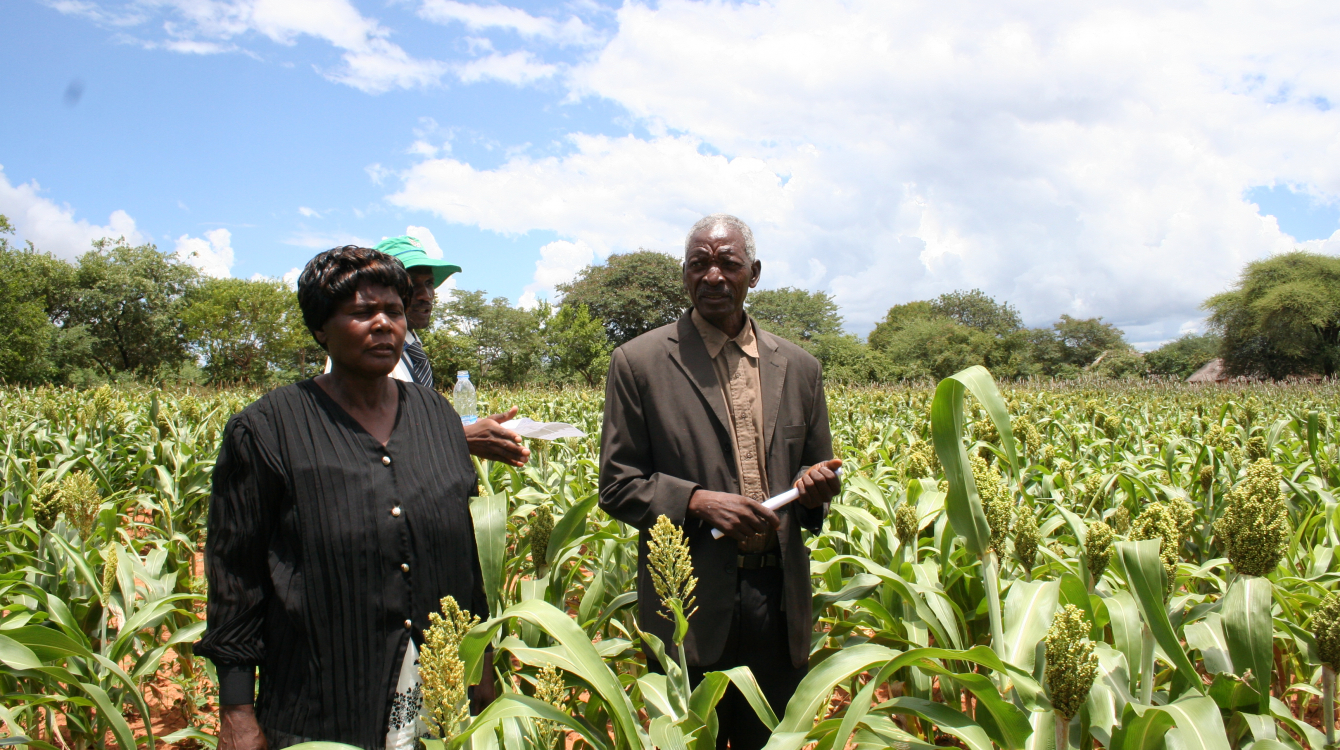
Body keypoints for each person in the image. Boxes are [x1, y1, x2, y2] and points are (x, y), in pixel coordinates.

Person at [198, 246, 495, 750]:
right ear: (320, 329)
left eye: (395, 311)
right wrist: (236, 712)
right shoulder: (268, 429)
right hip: (323, 705)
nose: (384, 325)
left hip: (441, 695)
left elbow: (466, 559)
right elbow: (236, 576)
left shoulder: (438, 416)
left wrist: (481, 667)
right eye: (362, 313)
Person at [598, 214, 843, 750]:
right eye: (699, 264)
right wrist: (697, 501)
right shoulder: (639, 363)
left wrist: (815, 487)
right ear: (684, 276)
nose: (713, 276)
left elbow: (815, 470)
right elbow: (617, 485)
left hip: (777, 603)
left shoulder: (800, 368)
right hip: (688, 602)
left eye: (727, 263)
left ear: (753, 273)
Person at [326, 234, 530, 468]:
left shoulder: (412, 347)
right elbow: (353, 443)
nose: (426, 295)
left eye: (429, 283)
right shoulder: (359, 354)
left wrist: (466, 430)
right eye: (412, 284)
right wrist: (459, 437)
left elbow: (410, 425)